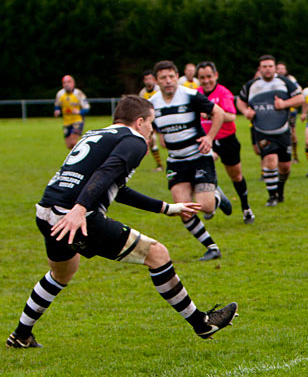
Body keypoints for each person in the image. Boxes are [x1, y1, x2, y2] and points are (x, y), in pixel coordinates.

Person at [5, 95, 237, 349]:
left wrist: (166, 208)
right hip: (74, 217)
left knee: (62, 273)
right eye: (151, 123)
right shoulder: (135, 141)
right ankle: (202, 323)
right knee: (157, 254)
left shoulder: (98, 134)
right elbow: (107, 172)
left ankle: (21, 335)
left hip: (46, 212)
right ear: (139, 122)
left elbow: (116, 186)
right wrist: (80, 209)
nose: (152, 130)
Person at [149, 60, 232, 261]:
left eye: (171, 76)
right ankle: (212, 248)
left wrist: (209, 137)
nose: (168, 81)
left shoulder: (191, 95)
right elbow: (148, 125)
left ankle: (216, 197)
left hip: (199, 158)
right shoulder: (152, 103)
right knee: (183, 210)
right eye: (163, 78)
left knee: (206, 207)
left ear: (177, 77)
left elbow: (219, 113)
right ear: (157, 81)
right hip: (176, 162)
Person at [237, 55, 303, 207]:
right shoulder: (251, 85)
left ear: (274, 67)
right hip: (262, 131)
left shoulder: (285, 82)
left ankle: (280, 190)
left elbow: (300, 99)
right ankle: (272, 196)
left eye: (270, 66)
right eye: (264, 66)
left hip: (282, 131)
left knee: (285, 166)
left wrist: (284, 103)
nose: (267, 69)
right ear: (259, 69)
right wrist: (246, 111)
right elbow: (240, 101)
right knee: (270, 160)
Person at [196, 61, 255, 223]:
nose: (206, 81)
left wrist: (210, 115)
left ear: (216, 75)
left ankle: (246, 208)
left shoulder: (223, 93)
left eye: (209, 76)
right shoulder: (195, 94)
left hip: (227, 140)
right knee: (202, 173)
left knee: (236, 176)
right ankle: (212, 201)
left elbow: (231, 116)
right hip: (205, 141)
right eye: (202, 77)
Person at [54, 75, 90, 149]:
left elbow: (87, 108)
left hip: (77, 120)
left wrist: (79, 112)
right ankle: (81, 152)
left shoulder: (78, 94)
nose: (66, 84)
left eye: (68, 82)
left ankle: (86, 149)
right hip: (66, 122)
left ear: (73, 83)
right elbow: (57, 105)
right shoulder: (60, 94)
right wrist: (57, 110)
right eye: (64, 83)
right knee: (69, 145)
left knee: (73, 141)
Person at [138, 70, 164, 171]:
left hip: (161, 119)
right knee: (153, 141)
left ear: (154, 80)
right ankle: (160, 165)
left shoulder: (159, 90)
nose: (148, 81)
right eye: (146, 79)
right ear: (144, 81)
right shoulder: (142, 93)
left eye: (150, 78)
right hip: (151, 121)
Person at [276, 62, 301, 163]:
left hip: (290, 109)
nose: (281, 70)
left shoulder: (290, 79)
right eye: (279, 68)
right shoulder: (274, 80)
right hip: (277, 110)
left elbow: (299, 91)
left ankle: (294, 155)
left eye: (283, 68)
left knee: (292, 131)